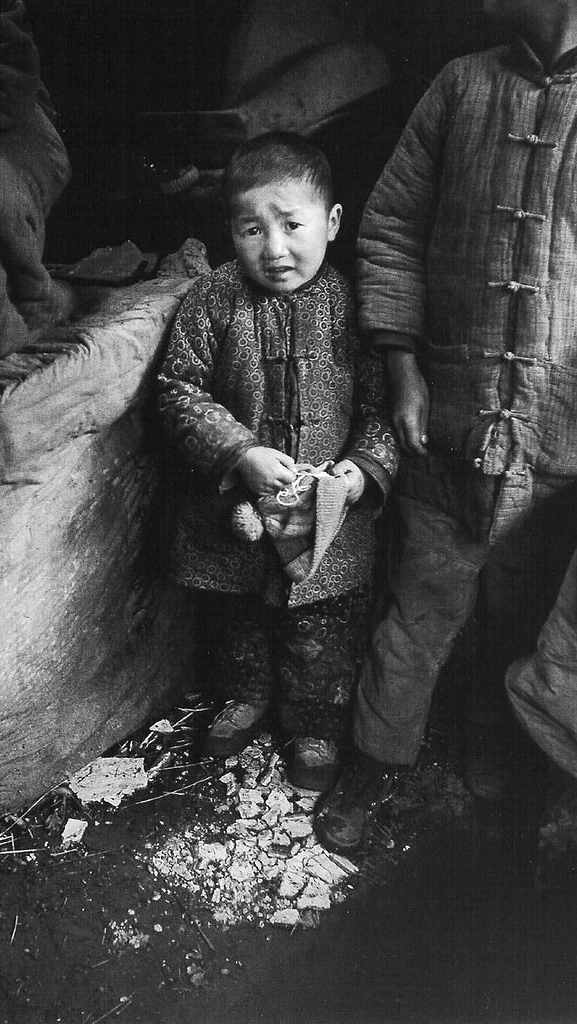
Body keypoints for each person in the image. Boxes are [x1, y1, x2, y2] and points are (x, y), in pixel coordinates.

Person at [314, 0, 577, 852]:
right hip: (446, 428)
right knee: (416, 611)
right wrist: (400, 368)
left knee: (523, 613)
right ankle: (374, 762)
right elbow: (390, 228)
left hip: (566, 441)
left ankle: (494, 746)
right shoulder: (459, 86)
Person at [157, 132, 398, 791]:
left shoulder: (352, 305)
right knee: (235, 614)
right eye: (250, 229)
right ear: (229, 231)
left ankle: (314, 725)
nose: (274, 248)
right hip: (234, 511)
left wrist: (358, 472)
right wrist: (241, 451)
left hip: (327, 515)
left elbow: (385, 409)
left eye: (291, 225)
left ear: (331, 221)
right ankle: (244, 695)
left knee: (320, 628)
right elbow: (177, 388)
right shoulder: (211, 300)